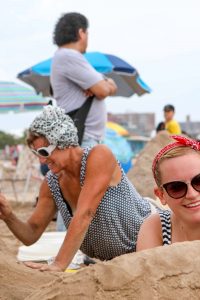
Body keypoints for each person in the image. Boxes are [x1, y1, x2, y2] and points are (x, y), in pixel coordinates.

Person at [0, 106, 158, 272]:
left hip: (152, 244)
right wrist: (9, 216)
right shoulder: (52, 183)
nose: (41, 160)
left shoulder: (99, 155)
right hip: (112, 264)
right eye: (36, 153)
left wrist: (59, 264)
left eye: (43, 152)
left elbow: (85, 214)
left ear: (62, 141)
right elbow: (31, 234)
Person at [51, 12, 117, 148]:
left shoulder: (67, 57)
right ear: (81, 32)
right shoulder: (68, 56)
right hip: (83, 138)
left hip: (85, 137)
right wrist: (105, 83)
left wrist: (104, 83)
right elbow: (104, 90)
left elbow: (107, 86)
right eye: (87, 33)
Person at [136, 135, 200, 251]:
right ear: (161, 195)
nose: (192, 194)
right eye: (176, 187)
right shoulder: (157, 227)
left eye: (199, 181)